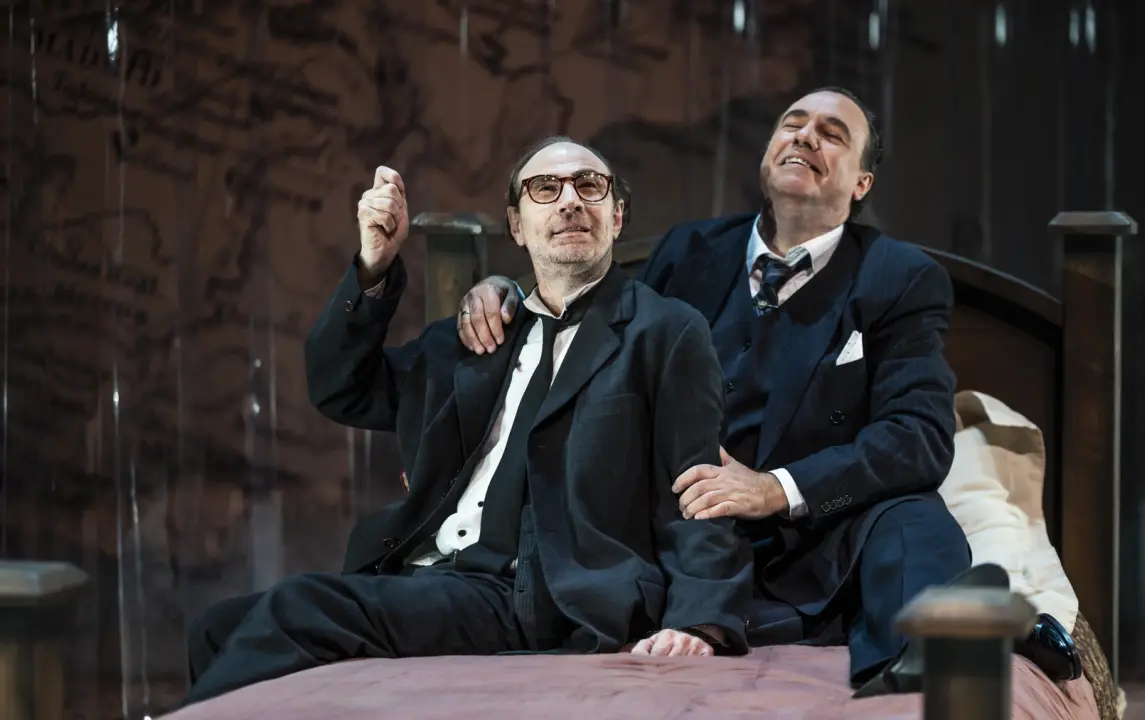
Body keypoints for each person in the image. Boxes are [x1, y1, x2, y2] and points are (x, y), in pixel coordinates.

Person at [181, 137, 752, 706]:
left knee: (300, 606)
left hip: (537, 591)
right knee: (215, 627)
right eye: (545, 188)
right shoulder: (478, 335)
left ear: (617, 216)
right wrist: (374, 267)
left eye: (589, 186)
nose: (570, 200)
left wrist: (700, 619)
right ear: (517, 225)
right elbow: (341, 389)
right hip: (423, 575)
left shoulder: (664, 330)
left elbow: (699, 488)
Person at [454, 88, 972, 690]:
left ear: (862, 184)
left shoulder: (901, 278)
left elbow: (918, 437)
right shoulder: (688, 251)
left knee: (917, 520)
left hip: (821, 545)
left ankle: (916, 674)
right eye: (792, 124)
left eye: (832, 134)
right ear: (767, 153)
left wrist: (774, 489)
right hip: (678, 537)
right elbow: (583, 315)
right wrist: (507, 293)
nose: (805, 136)